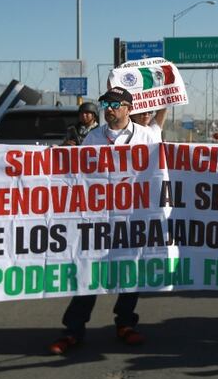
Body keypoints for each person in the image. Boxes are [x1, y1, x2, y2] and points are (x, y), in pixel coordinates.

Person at [48, 87, 158, 355]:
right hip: (98, 218)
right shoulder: (94, 137)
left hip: (132, 215)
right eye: (106, 104)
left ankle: (125, 323)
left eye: (115, 104)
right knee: (89, 271)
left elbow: (158, 173)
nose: (109, 109)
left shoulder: (147, 136)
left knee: (129, 271)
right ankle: (73, 330)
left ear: (129, 108)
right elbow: (81, 174)